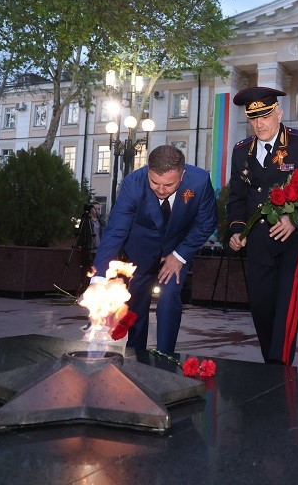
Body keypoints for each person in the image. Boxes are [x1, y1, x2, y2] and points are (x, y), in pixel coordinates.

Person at [227, 86, 298, 365]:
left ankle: (279, 368)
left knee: (286, 303)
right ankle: (269, 364)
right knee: (261, 309)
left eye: (265, 116)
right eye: (253, 118)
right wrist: (237, 230)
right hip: (258, 240)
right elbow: (236, 197)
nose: (259, 124)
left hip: (293, 239)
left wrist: (294, 218)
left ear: (279, 113)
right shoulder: (240, 152)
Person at [92, 145, 217, 354]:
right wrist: (98, 278)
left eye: (169, 185)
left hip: (178, 249)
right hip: (141, 251)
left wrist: (179, 255)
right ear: (148, 170)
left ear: (182, 174)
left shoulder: (200, 182)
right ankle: (135, 354)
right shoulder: (133, 183)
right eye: (154, 182)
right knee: (136, 304)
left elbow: (207, 223)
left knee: (169, 298)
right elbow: (115, 231)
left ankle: (164, 356)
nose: (161, 190)